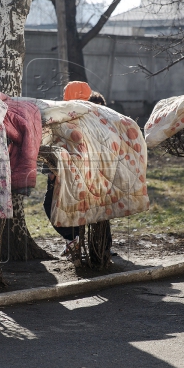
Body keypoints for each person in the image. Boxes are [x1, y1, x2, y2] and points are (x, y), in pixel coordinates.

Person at [44, 82, 112, 261]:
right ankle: (89, 244)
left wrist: (52, 174)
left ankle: (82, 242)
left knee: (59, 206)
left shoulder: (65, 116)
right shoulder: (90, 119)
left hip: (71, 172)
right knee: (90, 210)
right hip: (81, 172)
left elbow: (55, 141)